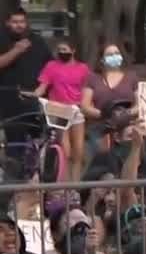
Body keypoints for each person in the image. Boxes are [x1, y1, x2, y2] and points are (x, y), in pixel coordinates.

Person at [29, 39, 90, 180]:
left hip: (76, 108)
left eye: (65, 50)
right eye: (60, 50)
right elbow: (42, 87)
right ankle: (65, 184)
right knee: (65, 150)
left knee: (78, 152)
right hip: (58, 109)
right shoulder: (51, 66)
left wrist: (84, 104)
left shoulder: (83, 68)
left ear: (73, 51)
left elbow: (86, 89)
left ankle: (76, 186)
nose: (62, 53)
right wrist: (33, 95)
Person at [0, 9, 52, 146]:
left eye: (22, 22)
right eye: (15, 22)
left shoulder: (37, 41)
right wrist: (16, 51)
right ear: (8, 23)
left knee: (37, 141)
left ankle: (35, 166)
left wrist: (43, 87)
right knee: (15, 144)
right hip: (9, 100)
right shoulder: (2, 39)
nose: (19, 25)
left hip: (34, 99)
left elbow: (50, 66)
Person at [80, 43, 141, 158]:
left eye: (116, 53)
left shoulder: (132, 77)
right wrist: (105, 114)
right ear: (102, 59)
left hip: (127, 126)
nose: (114, 56)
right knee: (101, 162)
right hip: (101, 127)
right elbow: (85, 106)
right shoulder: (92, 79)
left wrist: (126, 114)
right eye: (110, 54)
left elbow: (140, 105)